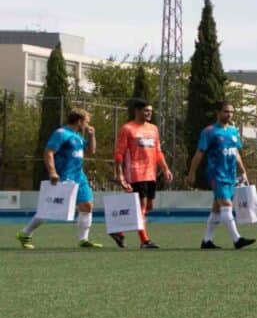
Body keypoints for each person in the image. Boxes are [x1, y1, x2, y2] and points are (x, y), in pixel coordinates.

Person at [19, 107, 98, 249]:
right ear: (79, 121)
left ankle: (83, 240)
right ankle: (25, 233)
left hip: (79, 176)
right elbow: (48, 152)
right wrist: (52, 172)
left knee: (87, 205)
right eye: (86, 122)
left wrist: (92, 136)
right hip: (64, 176)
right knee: (51, 208)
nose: (87, 125)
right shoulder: (61, 133)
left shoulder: (78, 136)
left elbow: (91, 151)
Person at [187, 101, 254, 250]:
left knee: (217, 209)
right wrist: (191, 173)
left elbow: (236, 152)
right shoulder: (209, 131)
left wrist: (243, 171)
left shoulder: (233, 131)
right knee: (227, 206)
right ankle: (237, 240)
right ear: (218, 113)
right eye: (225, 111)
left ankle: (207, 241)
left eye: (231, 112)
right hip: (216, 174)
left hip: (230, 175)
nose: (229, 114)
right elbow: (199, 153)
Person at [112, 98, 172, 249]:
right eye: (146, 111)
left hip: (150, 173)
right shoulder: (128, 128)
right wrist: (120, 174)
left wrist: (165, 168)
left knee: (148, 206)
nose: (149, 113)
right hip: (135, 172)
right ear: (137, 111)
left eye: (150, 111)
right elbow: (119, 153)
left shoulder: (153, 129)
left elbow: (158, 151)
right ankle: (144, 240)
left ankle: (118, 231)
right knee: (142, 207)